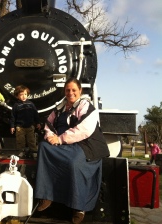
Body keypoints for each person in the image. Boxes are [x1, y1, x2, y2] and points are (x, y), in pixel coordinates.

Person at [34, 77, 110, 224]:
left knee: (74, 162)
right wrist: (51, 137)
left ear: (80, 91)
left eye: (74, 90)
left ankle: (79, 207)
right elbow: (48, 125)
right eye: (68, 90)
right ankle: (47, 195)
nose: (70, 93)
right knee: (43, 147)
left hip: (85, 144)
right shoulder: (59, 108)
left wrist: (60, 139)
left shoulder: (86, 106)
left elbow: (84, 130)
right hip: (63, 144)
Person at [10, 85, 41, 152]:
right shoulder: (16, 105)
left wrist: (38, 123)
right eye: (21, 95)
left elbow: (35, 114)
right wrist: (12, 126)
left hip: (30, 126)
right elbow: (13, 116)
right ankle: (21, 152)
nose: (24, 96)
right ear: (17, 96)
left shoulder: (31, 104)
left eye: (25, 94)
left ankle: (34, 152)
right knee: (20, 141)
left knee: (31, 140)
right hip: (20, 127)